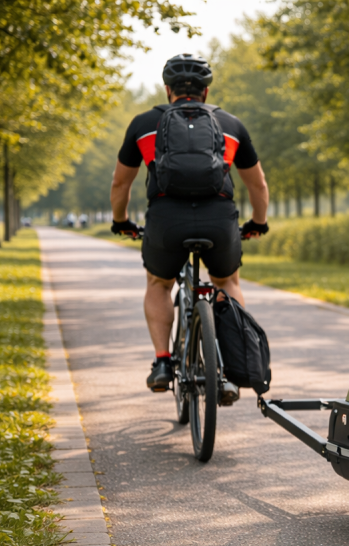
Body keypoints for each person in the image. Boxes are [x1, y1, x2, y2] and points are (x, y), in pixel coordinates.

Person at [109, 54, 270, 395]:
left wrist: (121, 221)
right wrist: (259, 222)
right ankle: (226, 369)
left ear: (167, 90)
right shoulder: (231, 125)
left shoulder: (144, 124)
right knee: (226, 281)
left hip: (167, 220)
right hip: (218, 220)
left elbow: (120, 184)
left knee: (158, 283)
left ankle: (163, 362)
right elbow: (257, 185)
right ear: (206, 92)